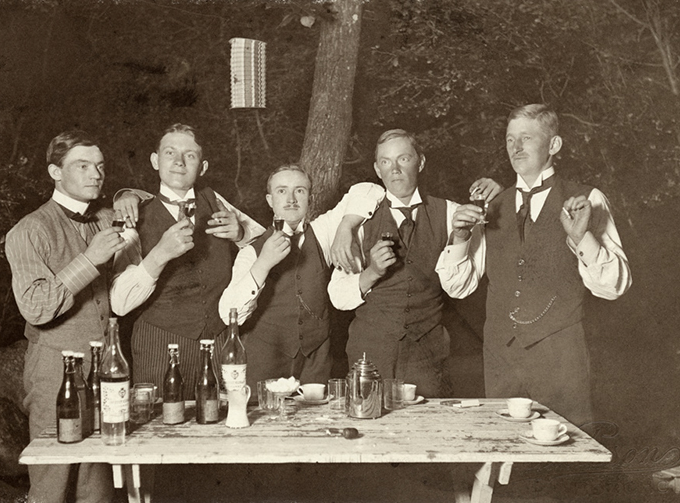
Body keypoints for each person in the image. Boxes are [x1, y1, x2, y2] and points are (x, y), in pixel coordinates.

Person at [445, 104, 632, 426]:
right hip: (501, 359)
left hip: (561, 358)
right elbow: (456, 287)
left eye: (527, 138)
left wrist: (582, 237)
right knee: (503, 447)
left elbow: (613, 286)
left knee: (566, 448)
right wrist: (459, 237)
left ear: (554, 145)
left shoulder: (587, 199)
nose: (516, 147)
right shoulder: (492, 206)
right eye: (510, 139)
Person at [5, 131, 124, 503]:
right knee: (53, 482)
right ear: (55, 172)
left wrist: (130, 196)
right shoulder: (29, 230)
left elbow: (147, 199)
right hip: (54, 370)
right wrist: (89, 260)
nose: (96, 174)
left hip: (103, 369)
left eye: (100, 166)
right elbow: (36, 307)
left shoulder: (105, 218)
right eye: (82, 166)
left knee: (97, 486)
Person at [327, 129, 491, 398]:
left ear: (420, 162)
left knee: (426, 423)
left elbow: (460, 289)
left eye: (403, 159)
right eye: (385, 161)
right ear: (377, 170)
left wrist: (461, 237)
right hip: (370, 351)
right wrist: (372, 272)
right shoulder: (358, 220)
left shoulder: (452, 213)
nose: (394, 169)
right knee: (368, 419)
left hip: (428, 354)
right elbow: (338, 296)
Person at [110, 124, 265, 399]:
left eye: (190, 155)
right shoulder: (134, 215)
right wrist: (159, 255)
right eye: (170, 153)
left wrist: (241, 234)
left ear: (202, 167)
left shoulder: (216, 201)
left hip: (219, 341)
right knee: (161, 421)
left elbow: (266, 243)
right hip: (159, 345)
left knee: (221, 418)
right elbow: (119, 303)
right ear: (155, 161)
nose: (179, 162)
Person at [218, 165, 382, 396]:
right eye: (282, 191)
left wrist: (346, 226)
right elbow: (229, 314)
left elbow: (371, 189)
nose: (291, 199)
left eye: (300, 191)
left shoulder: (322, 232)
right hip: (264, 361)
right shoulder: (251, 251)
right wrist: (263, 263)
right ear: (270, 200)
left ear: (310, 198)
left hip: (315, 363)